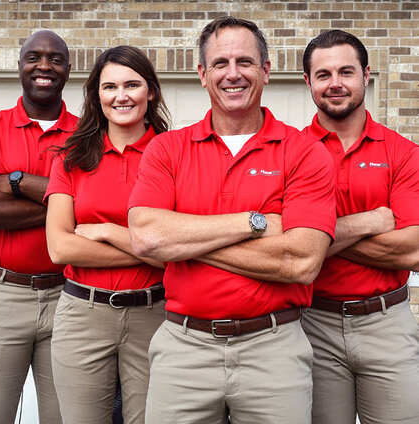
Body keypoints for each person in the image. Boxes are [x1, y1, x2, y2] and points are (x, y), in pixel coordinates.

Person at [128, 16, 336, 424]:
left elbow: (301, 262)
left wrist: (187, 240)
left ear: (267, 71)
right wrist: (255, 222)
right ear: (203, 75)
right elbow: (148, 238)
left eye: (245, 61)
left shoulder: (304, 152)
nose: (233, 74)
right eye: (220, 63)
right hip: (183, 347)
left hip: (274, 348)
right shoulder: (166, 150)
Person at [45, 45, 170, 424]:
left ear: (151, 91)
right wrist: (147, 247)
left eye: (132, 85)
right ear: (96, 96)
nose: (121, 96)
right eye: (109, 86)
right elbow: (60, 246)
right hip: (83, 314)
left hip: (157, 314)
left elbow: (179, 253)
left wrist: (108, 232)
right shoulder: (71, 156)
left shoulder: (173, 153)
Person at [301, 29, 419, 424]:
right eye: (323, 74)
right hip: (311, 321)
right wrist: (371, 221)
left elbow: (412, 250)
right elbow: (281, 242)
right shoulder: (290, 152)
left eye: (346, 72)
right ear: (308, 82)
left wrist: (313, 237)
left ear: (365, 75)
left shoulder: (402, 152)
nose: (335, 84)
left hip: (387, 321)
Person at [0, 30, 76, 424]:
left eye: (55, 59)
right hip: (0, 295)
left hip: (71, 299)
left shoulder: (86, 136)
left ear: (68, 70)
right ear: (19, 66)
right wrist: (66, 205)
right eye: (34, 57)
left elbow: (99, 207)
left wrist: (14, 181)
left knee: (67, 418)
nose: (44, 66)